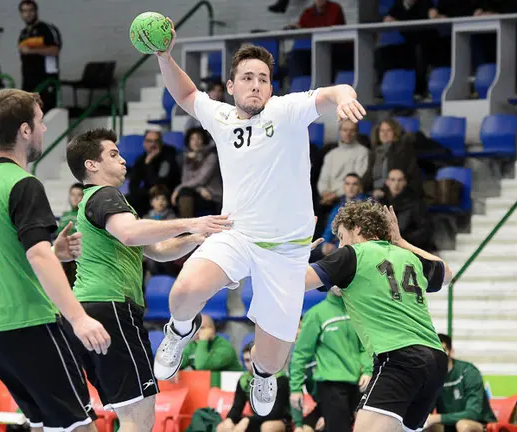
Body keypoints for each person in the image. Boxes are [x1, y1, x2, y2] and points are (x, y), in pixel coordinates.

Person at [151, 23, 366, 416]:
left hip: (286, 251)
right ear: (231, 85)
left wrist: (345, 97)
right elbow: (185, 93)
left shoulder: (286, 111)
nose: (256, 85)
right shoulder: (220, 116)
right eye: (247, 78)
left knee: (271, 361)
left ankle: (262, 377)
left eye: (263, 79)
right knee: (182, 292)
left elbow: (331, 92)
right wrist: (165, 56)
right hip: (237, 234)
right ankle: (180, 330)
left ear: (271, 87)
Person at [0, 88, 111, 431]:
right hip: (29, 324)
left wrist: (52, 251)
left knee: (46, 425)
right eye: (41, 122)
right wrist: (79, 318)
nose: (44, 129)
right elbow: (37, 254)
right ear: (25, 130)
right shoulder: (23, 183)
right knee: (80, 425)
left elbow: (3, 251)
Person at [65, 127, 232, 431]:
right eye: (113, 154)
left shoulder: (104, 204)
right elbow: (131, 234)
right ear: (91, 165)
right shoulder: (104, 195)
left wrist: (195, 236)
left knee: (112, 414)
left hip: (90, 309)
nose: (124, 160)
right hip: (111, 307)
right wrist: (193, 219)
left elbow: (156, 250)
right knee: (139, 415)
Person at [304, 201, 452, 432]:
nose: (340, 244)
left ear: (358, 229)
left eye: (342, 236)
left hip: (399, 357)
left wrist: (296, 252)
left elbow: (298, 282)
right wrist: (401, 242)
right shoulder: (407, 257)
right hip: (435, 359)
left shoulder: (353, 255)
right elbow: (446, 274)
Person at [289, 286, 372, 432]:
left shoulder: (357, 311)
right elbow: (300, 354)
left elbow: (365, 347)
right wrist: (295, 388)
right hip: (331, 385)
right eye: (336, 279)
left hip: (359, 383)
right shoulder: (316, 314)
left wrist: (367, 370)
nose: (339, 283)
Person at [424, 333, 496, 432]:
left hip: (480, 423)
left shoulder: (469, 371)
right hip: (448, 424)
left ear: (451, 352)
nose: (438, 356)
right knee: (427, 426)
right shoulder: (432, 376)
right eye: (433, 352)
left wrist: (436, 418)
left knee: (463, 425)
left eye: (442, 351)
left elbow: (472, 414)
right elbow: (426, 411)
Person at [218, 341, 291, 432]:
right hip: (255, 420)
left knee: (267, 427)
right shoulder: (244, 380)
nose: (251, 364)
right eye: (247, 360)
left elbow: (276, 412)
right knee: (222, 427)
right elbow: (237, 406)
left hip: (279, 420)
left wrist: (248, 420)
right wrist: (229, 419)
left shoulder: (280, 379)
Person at [18, 0, 62, 112]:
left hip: (46, 78)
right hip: (28, 80)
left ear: (36, 11)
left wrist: (32, 51)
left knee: (45, 111)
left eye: (30, 10)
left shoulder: (46, 29)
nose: (28, 14)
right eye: (24, 11)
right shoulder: (23, 34)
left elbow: (55, 50)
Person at [171, 127, 222, 218]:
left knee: (184, 192)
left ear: (204, 140)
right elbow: (185, 179)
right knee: (184, 193)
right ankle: (186, 228)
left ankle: (186, 228)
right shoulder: (188, 157)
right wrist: (199, 189)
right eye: (192, 139)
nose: (195, 142)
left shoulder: (211, 156)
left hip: (211, 195)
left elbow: (201, 179)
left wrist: (178, 189)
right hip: (198, 192)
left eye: (198, 138)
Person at [320, 173, 367, 255]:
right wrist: (324, 244)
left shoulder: (366, 205)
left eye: (354, 184)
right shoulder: (339, 206)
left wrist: (335, 246)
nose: (350, 187)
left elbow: (361, 235)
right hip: (338, 246)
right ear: (343, 187)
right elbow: (329, 229)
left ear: (359, 187)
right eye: (347, 184)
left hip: (357, 248)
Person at [58, 182, 83, 286]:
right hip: (64, 256)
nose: (75, 198)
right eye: (73, 195)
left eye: (79, 195)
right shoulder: (64, 216)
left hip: (80, 256)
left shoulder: (85, 216)